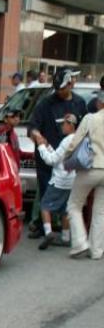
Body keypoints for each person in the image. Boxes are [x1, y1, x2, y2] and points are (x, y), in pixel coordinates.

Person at [28, 67, 87, 238]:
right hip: (48, 157)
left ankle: (65, 230)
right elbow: (33, 127)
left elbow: (84, 129)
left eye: (63, 88)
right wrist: (38, 136)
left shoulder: (79, 103)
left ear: (70, 84)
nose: (60, 92)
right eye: (57, 89)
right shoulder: (46, 103)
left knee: (68, 196)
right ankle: (41, 226)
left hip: (69, 160)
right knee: (46, 191)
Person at [60, 91, 104, 259]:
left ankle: (80, 243)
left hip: (91, 168)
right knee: (101, 211)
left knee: (74, 205)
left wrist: (66, 159)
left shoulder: (90, 119)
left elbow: (74, 142)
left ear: (100, 103)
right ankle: (97, 250)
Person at [32, 113, 77, 250]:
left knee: (45, 205)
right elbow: (59, 156)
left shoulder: (66, 141)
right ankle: (65, 237)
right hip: (72, 180)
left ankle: (48, 232)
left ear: (70, 124)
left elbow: (51, 160)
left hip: (59, 180)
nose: (61, 127)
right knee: (65, 210)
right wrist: (48, 146)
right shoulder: (77, 139)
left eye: (63, 124)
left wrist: (40, 146)